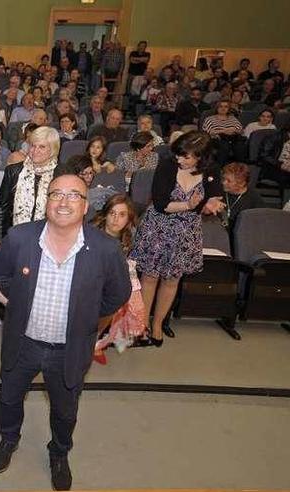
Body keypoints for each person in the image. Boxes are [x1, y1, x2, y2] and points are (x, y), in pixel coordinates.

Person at [0, 173, 131, 491]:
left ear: (85, 206)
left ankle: (59, 453)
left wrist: (87, 320)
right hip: (23, 342)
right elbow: (0, 275)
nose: (64, 201)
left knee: (65, 410)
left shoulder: (106, 250)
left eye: (73, 195)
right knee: (10, 398)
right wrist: (22, 301)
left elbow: (117, 294)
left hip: (69, 349)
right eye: (56, 194)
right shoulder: (20, 237)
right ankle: (9, 440)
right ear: (46, 201)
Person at [129, 131, 225, 346]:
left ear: (201, 157)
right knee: (150, 277)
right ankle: (142, 326)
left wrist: (209, 205)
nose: (180, 159)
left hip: (186, 232)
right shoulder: (167, 165)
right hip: (158, 227)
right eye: (179, 154)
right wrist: (192, 206)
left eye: (186, 156)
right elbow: (162, 204)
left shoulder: (211, 170)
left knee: (172, 280)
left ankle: (158, 324)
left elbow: (213, 201)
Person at [0, 126, 71, 251]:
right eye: (33, 146)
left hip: (51, 240)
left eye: (42, 147)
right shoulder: (13, 171)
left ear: (53, 150)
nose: (35, 151)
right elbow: (2, 207)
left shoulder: (63, 174)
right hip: (16, 237)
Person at [90, 194, 146, 364]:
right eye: (112, 213)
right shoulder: (91, 232)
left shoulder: (130, 236)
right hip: (90, 278)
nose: (115, 219)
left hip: (111, 279)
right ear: (105, 214)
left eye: (122, 215)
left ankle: (94, 340)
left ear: (129, 218)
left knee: (122, 297)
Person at [219, 162, 264, 234]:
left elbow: (258, 225)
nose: (224, 182)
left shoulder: (254, 198)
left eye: (229, 181)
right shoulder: (218, 192)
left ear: (241, 183)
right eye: (224, 179)